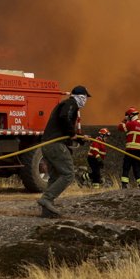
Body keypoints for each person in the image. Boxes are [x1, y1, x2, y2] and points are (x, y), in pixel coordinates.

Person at [36, 85, 91, 218]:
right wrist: (72, 133)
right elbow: (64, 117)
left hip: (48, 144)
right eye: (85, 98)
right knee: (68, 174)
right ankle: (47, 199)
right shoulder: (70, 103)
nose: (85, 101)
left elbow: (64, 127)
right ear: (80, 96)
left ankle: (47, 210)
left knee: (55, 177)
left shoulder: (66, 105)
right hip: (55, 145)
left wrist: (81, 138)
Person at [118, 107, 140, 189]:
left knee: (126, 167)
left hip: (130, 150)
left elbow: (120, 128)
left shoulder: (131, 124)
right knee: (137, 168)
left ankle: (124, 185)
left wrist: (124, 120)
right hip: (139, 151)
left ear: (130, 116)